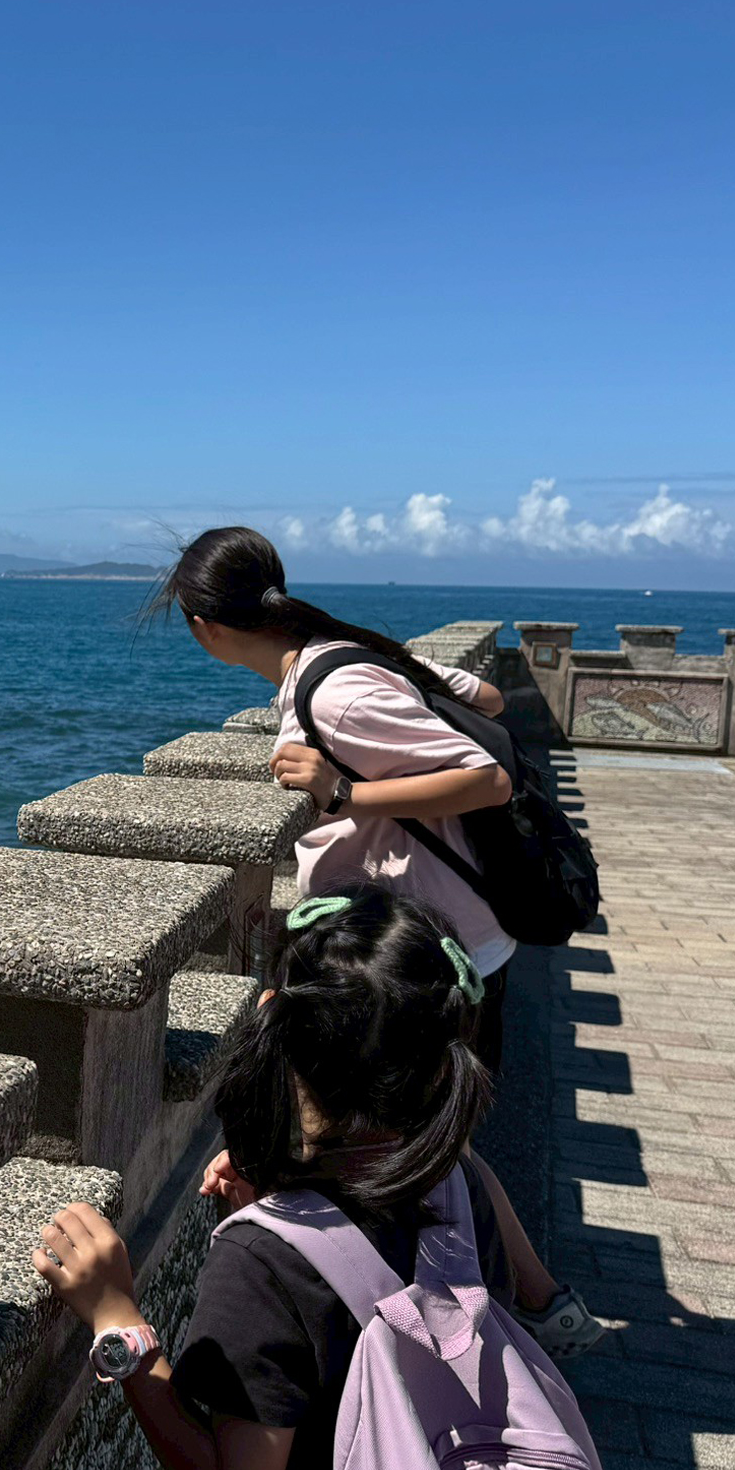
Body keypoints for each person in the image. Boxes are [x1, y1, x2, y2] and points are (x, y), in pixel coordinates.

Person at [33, 887, 591, 1470]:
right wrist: (285, 1195)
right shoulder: (463, 1189)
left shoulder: (264, 1265)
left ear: (274, 1019)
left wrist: (116, 1322)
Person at [150, 524, 600, 1359]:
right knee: (435, 1141)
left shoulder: (335, 693)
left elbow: (488, 777)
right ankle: (531, 1301)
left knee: (423, 1148)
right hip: (432, 949)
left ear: (204, 627)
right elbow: (488, 699)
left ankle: (473, 1319)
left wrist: (347, 791)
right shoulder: (341, 653)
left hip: (424, 961)